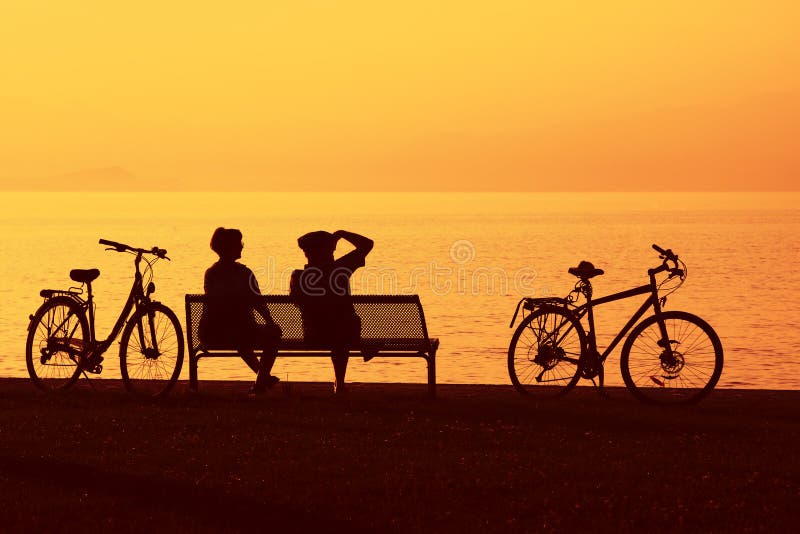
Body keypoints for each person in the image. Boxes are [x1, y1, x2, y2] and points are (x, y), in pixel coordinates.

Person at [290, 229, 373, 394]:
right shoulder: (341, 269)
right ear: (327, 250)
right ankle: (340, 383)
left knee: (339, 324)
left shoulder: (298, 276)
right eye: (332, 248)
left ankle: (341, 380)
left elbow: (296, 303)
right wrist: (342, 233)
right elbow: (367, 245)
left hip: (313, 335)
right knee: (344, 325)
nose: (334, 251)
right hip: (344, 334)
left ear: (306, 252)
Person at [199, 227, 280, 395]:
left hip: (211, 333)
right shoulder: (244, 273)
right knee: (272, 334)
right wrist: (270, 322)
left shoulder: (210, 273)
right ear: (230, 247)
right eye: (239, 243)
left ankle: (262, 378)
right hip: (239, 332)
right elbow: (259, 302)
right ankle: (261, 382)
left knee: (241, 338)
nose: (242, 246)